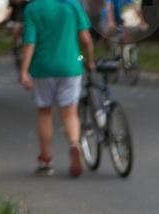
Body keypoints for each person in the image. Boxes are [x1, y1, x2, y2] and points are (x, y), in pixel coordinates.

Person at [19, 0, 93, 177]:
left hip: (43, 68)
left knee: (45, 112)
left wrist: (24, 71)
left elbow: (29, 42)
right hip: (71, 67)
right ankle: (74, 144)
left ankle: (46, 159)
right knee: (70, 112)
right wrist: (89, 61)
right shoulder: (73, 4)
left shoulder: (33, 8)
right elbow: (86, 40)